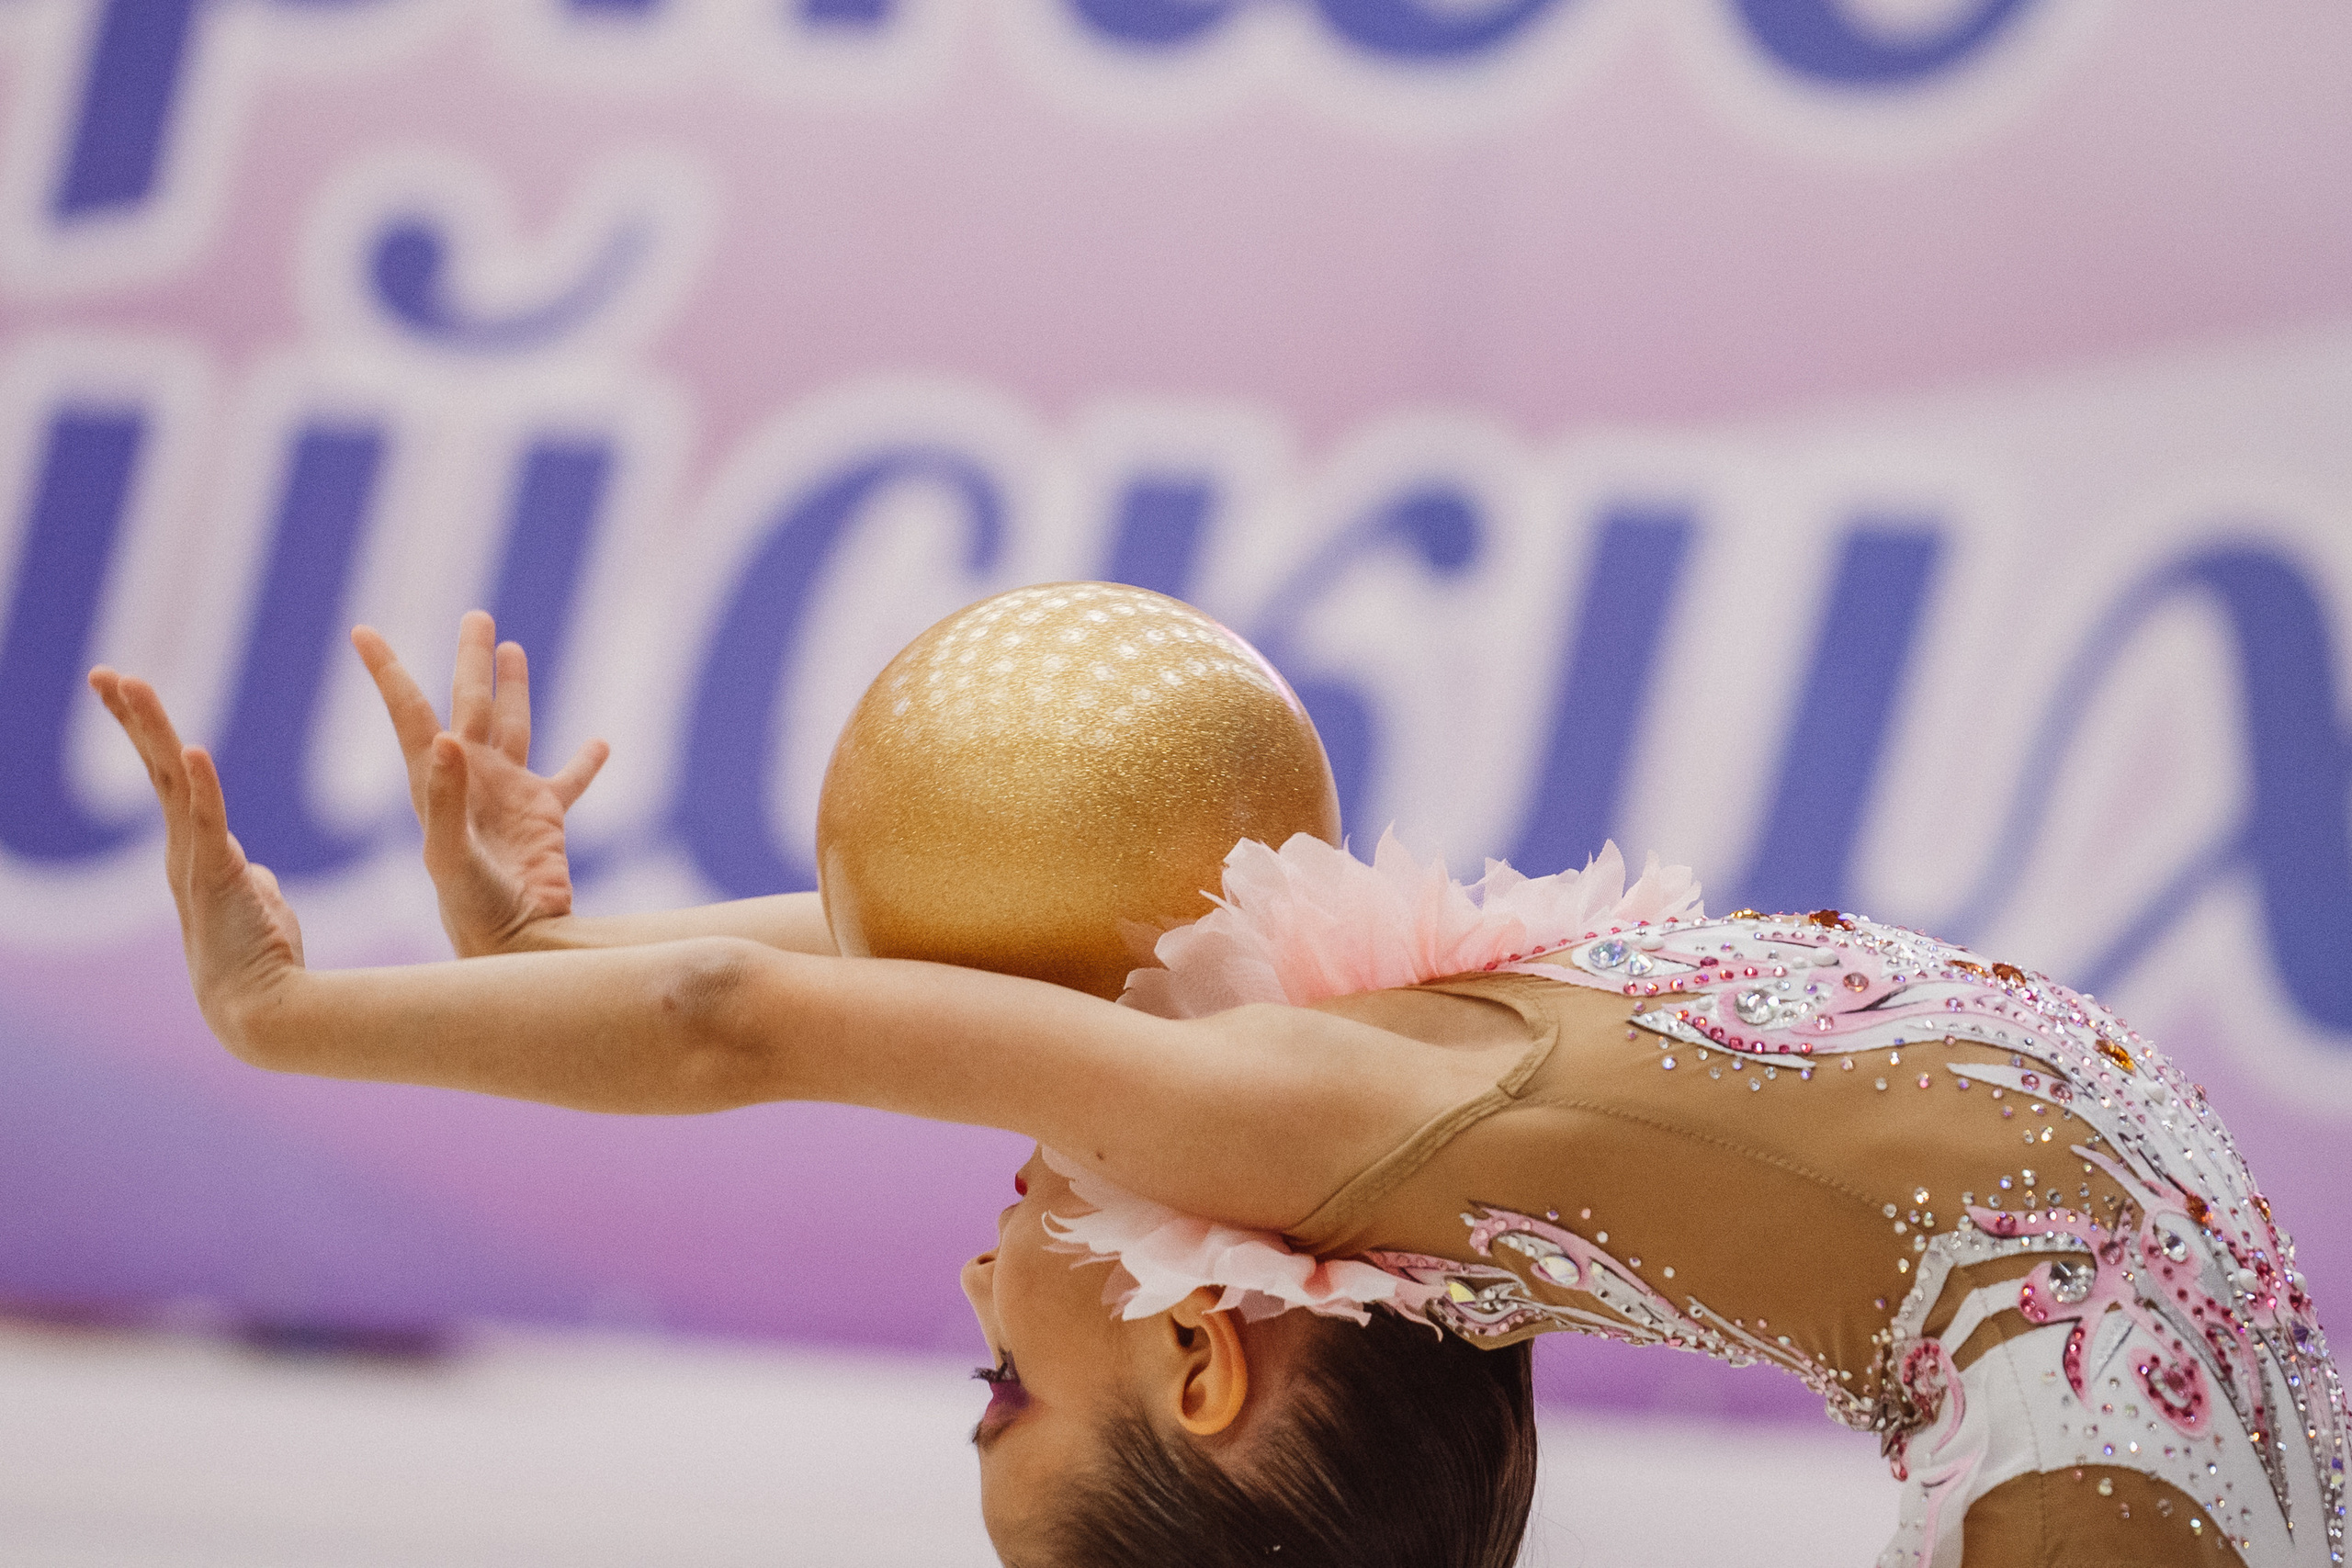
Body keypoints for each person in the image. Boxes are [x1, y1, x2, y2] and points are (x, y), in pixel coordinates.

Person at [87, 607, 2346, 1568]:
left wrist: (522, 949)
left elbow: (882, 962)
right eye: (996, 1375)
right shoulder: (1289, 1119)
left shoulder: (1280, 1054)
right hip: (2107, 1360)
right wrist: (298, 1016)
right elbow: (743, 1035)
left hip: (2126, 1287)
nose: (976, 1265)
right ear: (1194, 1364)